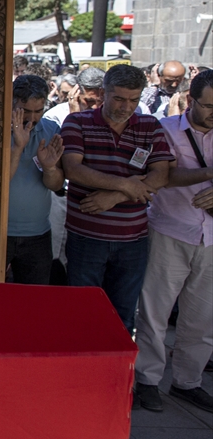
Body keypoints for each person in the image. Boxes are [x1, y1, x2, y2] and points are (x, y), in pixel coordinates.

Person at [61, 64, 171, 332]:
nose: (126, 107)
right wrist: (126, 185)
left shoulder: (149, 125)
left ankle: (116, 361)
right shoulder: (78, 122)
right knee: (82, 313)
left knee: (122, 317)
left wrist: (114, 196)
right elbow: (73, 169)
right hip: (86, 236)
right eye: (119, 99)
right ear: (103, 93)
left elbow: (161, 175)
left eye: (133, 100)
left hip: (133, 240)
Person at [133, 70, 213, 413]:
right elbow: (160, 175)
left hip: (209, 237)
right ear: (191, 100)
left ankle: (188, 381)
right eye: (209, 106)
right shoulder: (163, 129)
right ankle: (147, 380)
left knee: (202, 316)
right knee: (154, 311)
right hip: (169, 229)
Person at [6, 75, 65, 284]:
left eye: (38, 111)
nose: (31, 118)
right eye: (25, 111)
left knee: (34, 297)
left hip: (37, 234)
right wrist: (18, 147)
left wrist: (49, 168)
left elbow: (56, 185)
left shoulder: (51, 130)